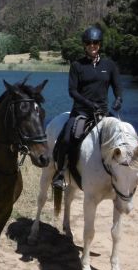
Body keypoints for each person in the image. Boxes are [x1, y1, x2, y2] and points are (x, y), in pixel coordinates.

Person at [52, 26, 123, 190]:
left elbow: (117, 85)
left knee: (122, 135)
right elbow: (73, 91)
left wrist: (118, 98)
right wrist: (89, 104)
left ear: (100, 44)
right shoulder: (77, 65)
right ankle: (60, 173)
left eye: (96, 42)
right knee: (67, 138)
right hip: (81, 113)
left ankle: (121, 172)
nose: (93, 45)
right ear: (84, 45)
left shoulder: (109, 65)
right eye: (89, 43)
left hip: (103, 113)